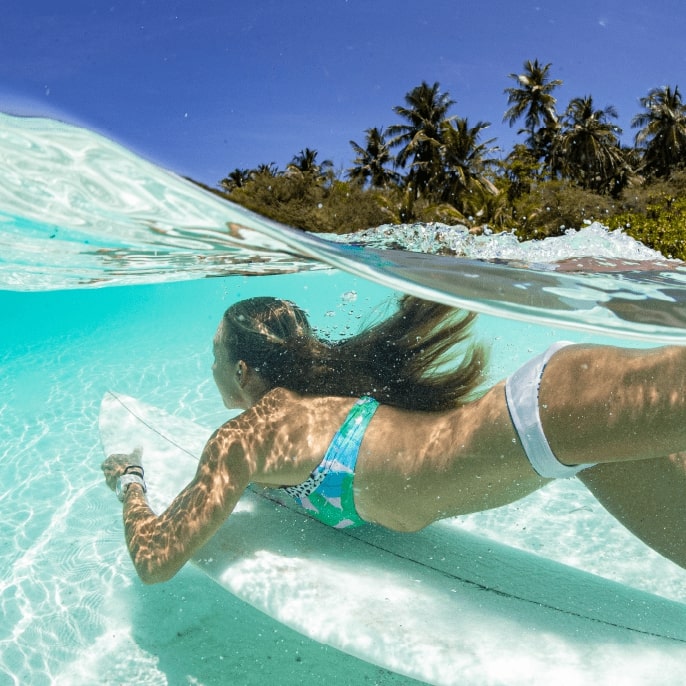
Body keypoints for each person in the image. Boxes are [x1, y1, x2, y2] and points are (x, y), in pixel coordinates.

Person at [102, 295, 686, 583]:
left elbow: (155, 561)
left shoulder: (244, 437)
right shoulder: (316, 406)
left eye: (213, 355)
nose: (208, 368)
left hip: (551, 410)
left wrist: (131, 483)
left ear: (243, 372)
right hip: (558, 438)